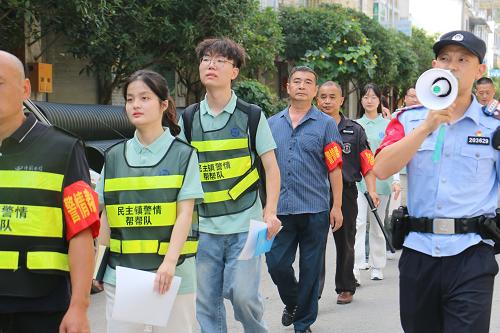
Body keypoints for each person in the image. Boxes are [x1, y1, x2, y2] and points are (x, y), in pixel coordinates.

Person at [374, 30, 499, 333]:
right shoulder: (407, 119)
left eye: (462, 59)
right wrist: (426, 128)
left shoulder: (493, 125)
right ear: (433, 65)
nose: (452, 66)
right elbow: (380, 167)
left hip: (471, 253)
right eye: (445, 59)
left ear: (479, 69)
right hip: (419, 252)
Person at [177, 37, 281, 333]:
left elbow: (271, 167)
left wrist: (270, 210)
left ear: (234, 72)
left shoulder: (251, 115)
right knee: (206, 305)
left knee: (243, 296)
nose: (211, 64)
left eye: (220, 60)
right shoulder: (189, 118)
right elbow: (182, 172)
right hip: (204, 226)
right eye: (206, 59)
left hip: (246, 223)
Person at [95, 69, 203, 333]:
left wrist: (167, 263)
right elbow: (107, 215)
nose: (135, 105)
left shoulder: (184, 155)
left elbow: (184, 215)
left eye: (144, 98)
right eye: (130, 99)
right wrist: (97, 268)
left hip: (173, 274)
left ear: (163, 104)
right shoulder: (114, 156)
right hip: (121, 274)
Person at [0, 50, 99, 333]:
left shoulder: (63, 149)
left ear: (25, 88)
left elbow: (81, 232)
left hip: (42, 306)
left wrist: (79, 306)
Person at [266, 66, 343, 333]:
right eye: (296, 81)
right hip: (281, 210)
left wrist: (337, 206)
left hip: (315, 210)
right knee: (275, 263)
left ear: (314, 90)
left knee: (310, 271)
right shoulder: (271, 124)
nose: (301, 86)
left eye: (307, 82)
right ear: (287, 87)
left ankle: (303, 324)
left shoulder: (326, 125)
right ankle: (293, 302)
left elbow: (334, 168)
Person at [316, 81, 380, 305]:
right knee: (314, 244)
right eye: (323, 96)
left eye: (332, 97)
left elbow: (368, 163)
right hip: (315, 193)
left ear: (341, 100)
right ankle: (313, 290)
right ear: (317, 99)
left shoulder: (354, 130)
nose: (327, 101)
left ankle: (345, 286)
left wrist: (371, 190)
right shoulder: (310, 127)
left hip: (346, 194)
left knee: (346, 242)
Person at [354, 83, 400, 283]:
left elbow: (395, 154)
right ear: (361, 100)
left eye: (373, 97)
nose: (369, 100)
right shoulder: (355, 125)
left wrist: (396, 180)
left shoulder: (389, 125)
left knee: (377, 225)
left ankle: (377, 265)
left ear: (380, 100)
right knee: (358, 224)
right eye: (365, 97)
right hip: (358, 184)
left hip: (382, 182)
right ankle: (355, 265)